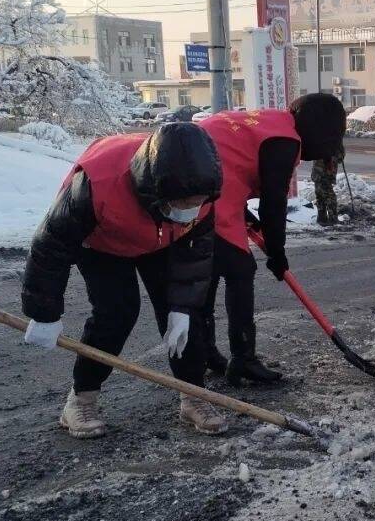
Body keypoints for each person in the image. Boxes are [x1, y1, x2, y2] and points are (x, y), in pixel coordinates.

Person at [21, 123, 225, 439]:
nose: (191, 211)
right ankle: (80, 400)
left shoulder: (204, 187)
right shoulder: (98, 182)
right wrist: (45, 314)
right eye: (183, 203)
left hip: (162, 239)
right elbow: (51, 245)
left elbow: (195, 254)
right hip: (101, 241)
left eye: (196, 203)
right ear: (158, 188)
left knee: (185, 318)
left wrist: (183, 307)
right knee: (116, 312)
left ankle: (193, 395)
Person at [199, 94, 347, 385]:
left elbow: (232, 154)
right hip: (210, 196)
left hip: (203, 186)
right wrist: (277, 253)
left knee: (208, 274)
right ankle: (243, 359)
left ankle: (206, 353)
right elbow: (273, 202)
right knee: (239, 270)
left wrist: (244, 213)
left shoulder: (273, 122)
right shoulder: (285, 140)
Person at [311, 140, 345, 226]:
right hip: (326, 173)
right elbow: (340, 158)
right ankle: (333, 219)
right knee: (330, 196)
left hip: (317, 172)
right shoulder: (334, 139)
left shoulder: (320, 136)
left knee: (320, 195)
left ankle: (321, 218)